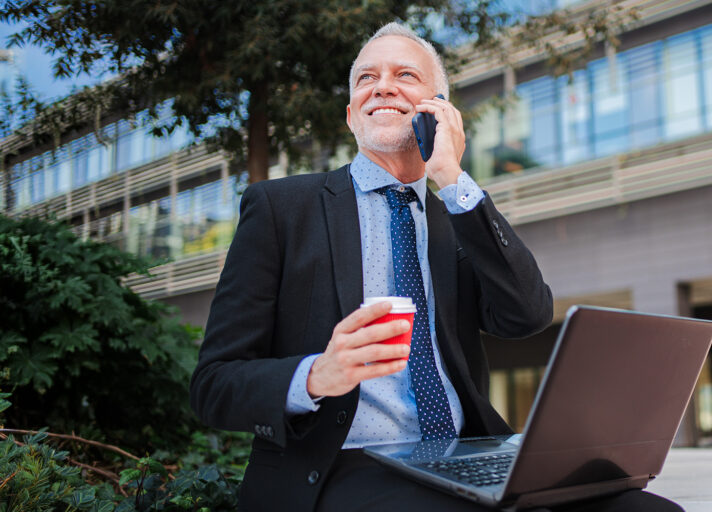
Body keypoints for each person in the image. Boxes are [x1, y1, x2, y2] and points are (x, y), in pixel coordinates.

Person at [190, 23, 682, 512]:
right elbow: (214, 384)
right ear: (351, 115)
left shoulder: (459, 214)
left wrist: (450, 174)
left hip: (464, 454)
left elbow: (527, 314)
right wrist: (317, 374)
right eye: (366, 78)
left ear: (440, 110)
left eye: (404, 74)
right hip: (342, 465)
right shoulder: (281, 208)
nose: (382, 86)